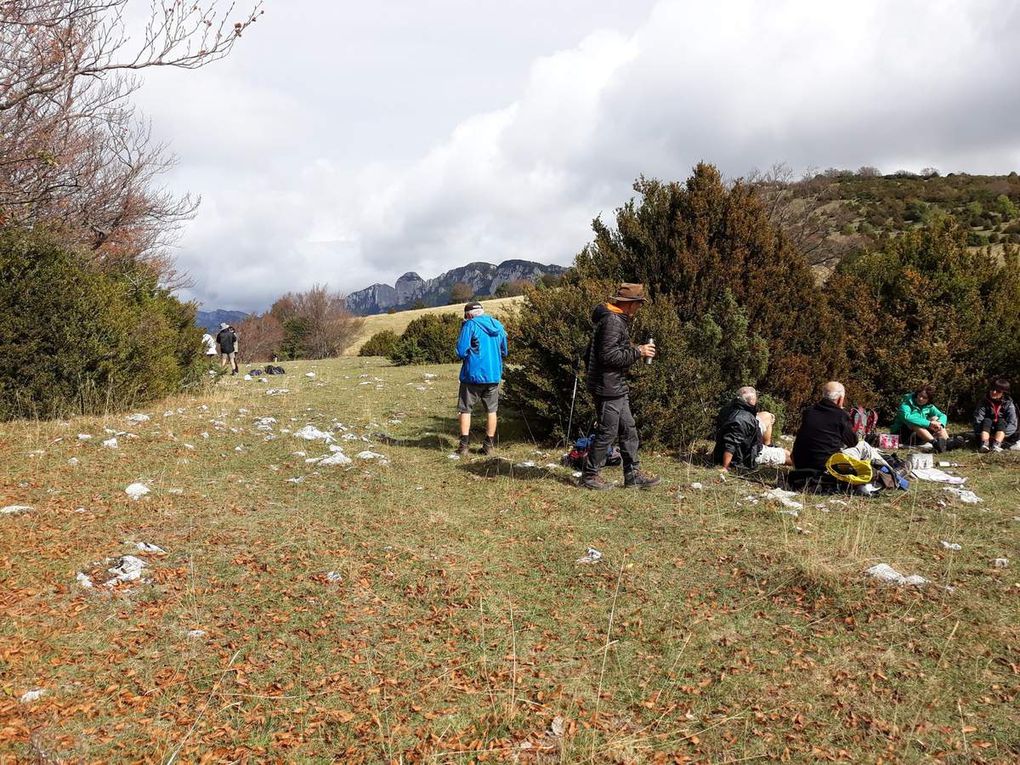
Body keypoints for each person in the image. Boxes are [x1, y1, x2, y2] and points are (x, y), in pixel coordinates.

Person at [580, 283, 660, 490]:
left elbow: (592, 353)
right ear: (631, 304)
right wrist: (638, 352)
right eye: (639, 304)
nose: (639, 308)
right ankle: (590, 475)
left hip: (614, 384)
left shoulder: (612, 319)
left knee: (628, 429)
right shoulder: (613, 322)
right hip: (608, 386)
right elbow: (608, 356)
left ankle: (633, 475)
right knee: (607, 432)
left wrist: (632, 349)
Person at [792, 381, 888, 474]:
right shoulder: (841, 415)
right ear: (840, 399)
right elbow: (853, 442)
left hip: (800, 465)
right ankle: (894, 475)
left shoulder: (809, 411)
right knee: (864, 446)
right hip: (826, 467)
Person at [455, 301, 508, 456]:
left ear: (468, 314)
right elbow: (504, 351)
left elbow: (460, 351)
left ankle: (464, 446)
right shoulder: (498, 325)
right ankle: (488, 445)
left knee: (465, 409)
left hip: (472, 375)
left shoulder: (470, 325)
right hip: (493, 375)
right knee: (492, 411)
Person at [714, 386, 792, 471]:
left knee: (767, 416)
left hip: (746, 437)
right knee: (788, 455)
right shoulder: (741, 420)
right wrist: (725, 467)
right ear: (752, 401)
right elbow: (731, 443)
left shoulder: (729, 409)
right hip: (748, 454)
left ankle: (768, 445)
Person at [889, 384, 949, 452]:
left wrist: (940, 423)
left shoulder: (929, 406)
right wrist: (929, 424)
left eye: (924, 398)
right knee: (914, 422)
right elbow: (906, 417)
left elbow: (942, 415)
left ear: (928, 399)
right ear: (916, 394)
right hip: (902, 436)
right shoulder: (906, 403)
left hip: (919, 436)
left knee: (935, 419)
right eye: (920, 395)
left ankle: (947, 442)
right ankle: (935, 444)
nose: (921, 399)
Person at [972, 378, 1019, 452]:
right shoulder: (983, 402)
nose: (993, 392)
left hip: (1002, 433)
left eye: (998, 391)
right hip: (985, 431)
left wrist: (1002, 435)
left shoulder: (1009, 404)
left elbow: (1013, 423)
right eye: (992, 389)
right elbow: (977, 421)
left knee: (1001, 421)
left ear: (1003, 392)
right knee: (987, 420)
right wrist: (981, 433)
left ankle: (997, 444)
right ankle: (984, 444)